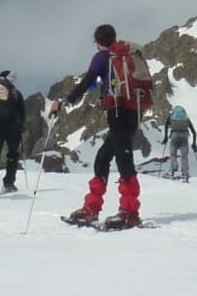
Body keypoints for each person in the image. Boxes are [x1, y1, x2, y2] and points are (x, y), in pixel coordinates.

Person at [50, 24, 146, 229]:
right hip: (133, 112)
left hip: (118, 112)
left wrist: (65, 102)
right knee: (103, 158)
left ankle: (129, 213)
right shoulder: (123, 56)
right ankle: (91, 209)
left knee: (123, 159)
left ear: (98, 42)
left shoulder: (102, 57)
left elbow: (86, 82)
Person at [162, 105, 197, 180]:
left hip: (174, 135)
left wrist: (165, 137)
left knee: (173, 154)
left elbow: (166, 125)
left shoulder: (172, 116)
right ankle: (185, 174)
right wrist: (194, 143)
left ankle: (173, 170)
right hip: (185, 136)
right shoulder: (186, 119)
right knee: (184, 156)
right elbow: (194, 132)